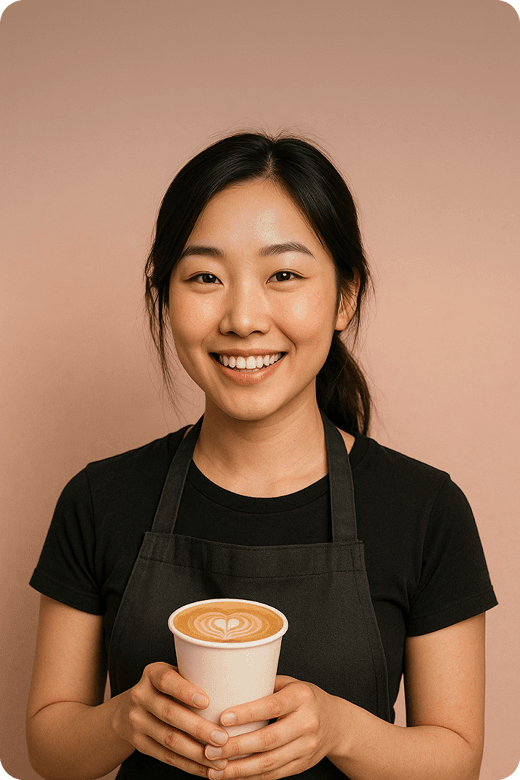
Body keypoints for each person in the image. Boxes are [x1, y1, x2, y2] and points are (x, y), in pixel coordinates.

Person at [26, 132, 497, 780]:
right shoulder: (99, 500)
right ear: (166, 295)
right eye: (205, 277)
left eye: (283, 275)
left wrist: (338, 728)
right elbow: (49, 746)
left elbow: (457, 759)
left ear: (345, 295)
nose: (244, 317)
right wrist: (123, 718)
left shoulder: (425, 511)